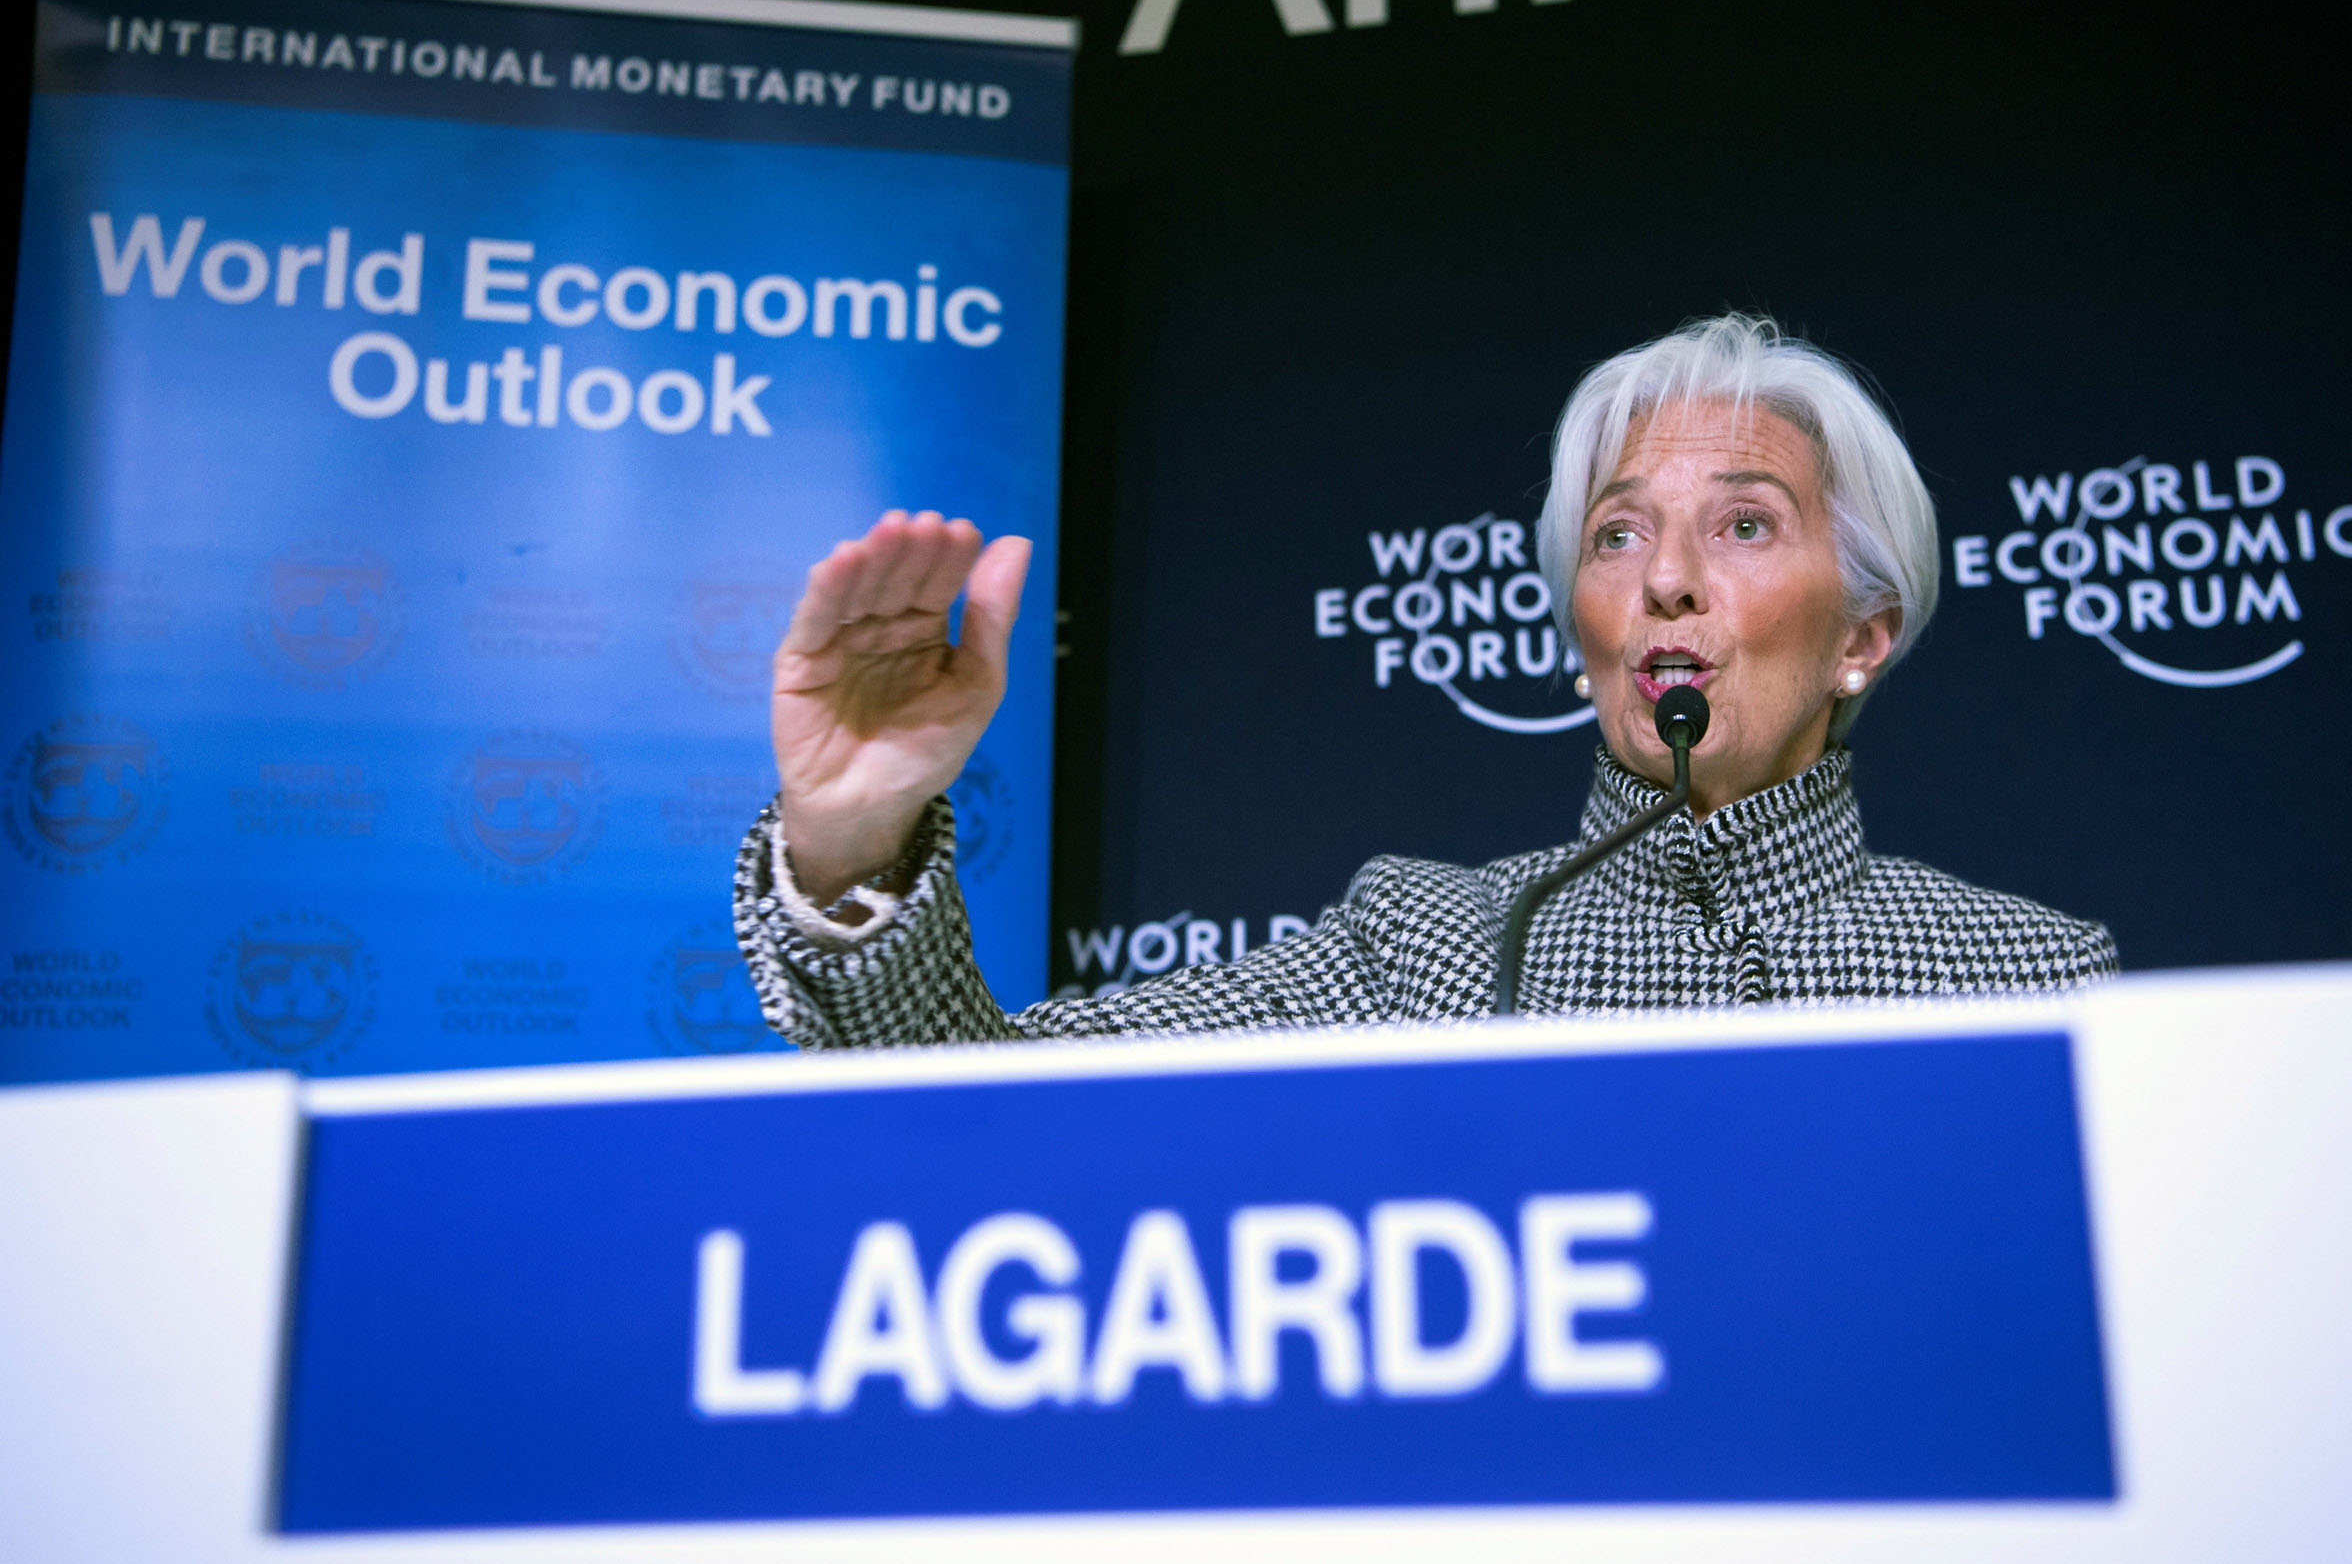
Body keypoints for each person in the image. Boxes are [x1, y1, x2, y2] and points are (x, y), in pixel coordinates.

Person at [734, 314, 2116, 1048]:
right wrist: (853, 839)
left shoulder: (2033, 974)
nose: (1668, 579)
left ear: (1864, 630)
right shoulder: (1428, 944)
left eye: (1745, 524)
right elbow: (994, 1102)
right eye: (1617, 533)